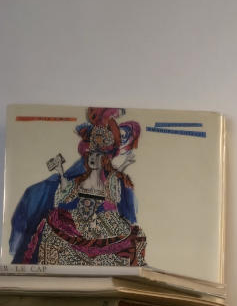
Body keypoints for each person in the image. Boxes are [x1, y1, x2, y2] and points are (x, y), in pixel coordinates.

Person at [9, 107, 146, 266]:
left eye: (97, 156)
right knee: (52, 234)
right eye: (91, 155)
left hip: (102, 226)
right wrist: (60, 172)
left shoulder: (111, 183)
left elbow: (114, 185)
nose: (93, 159)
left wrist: (125, 165)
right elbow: (66, 193)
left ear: (104, 160)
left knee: (128, 242)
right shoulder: (80, 180)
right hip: (78, 224)